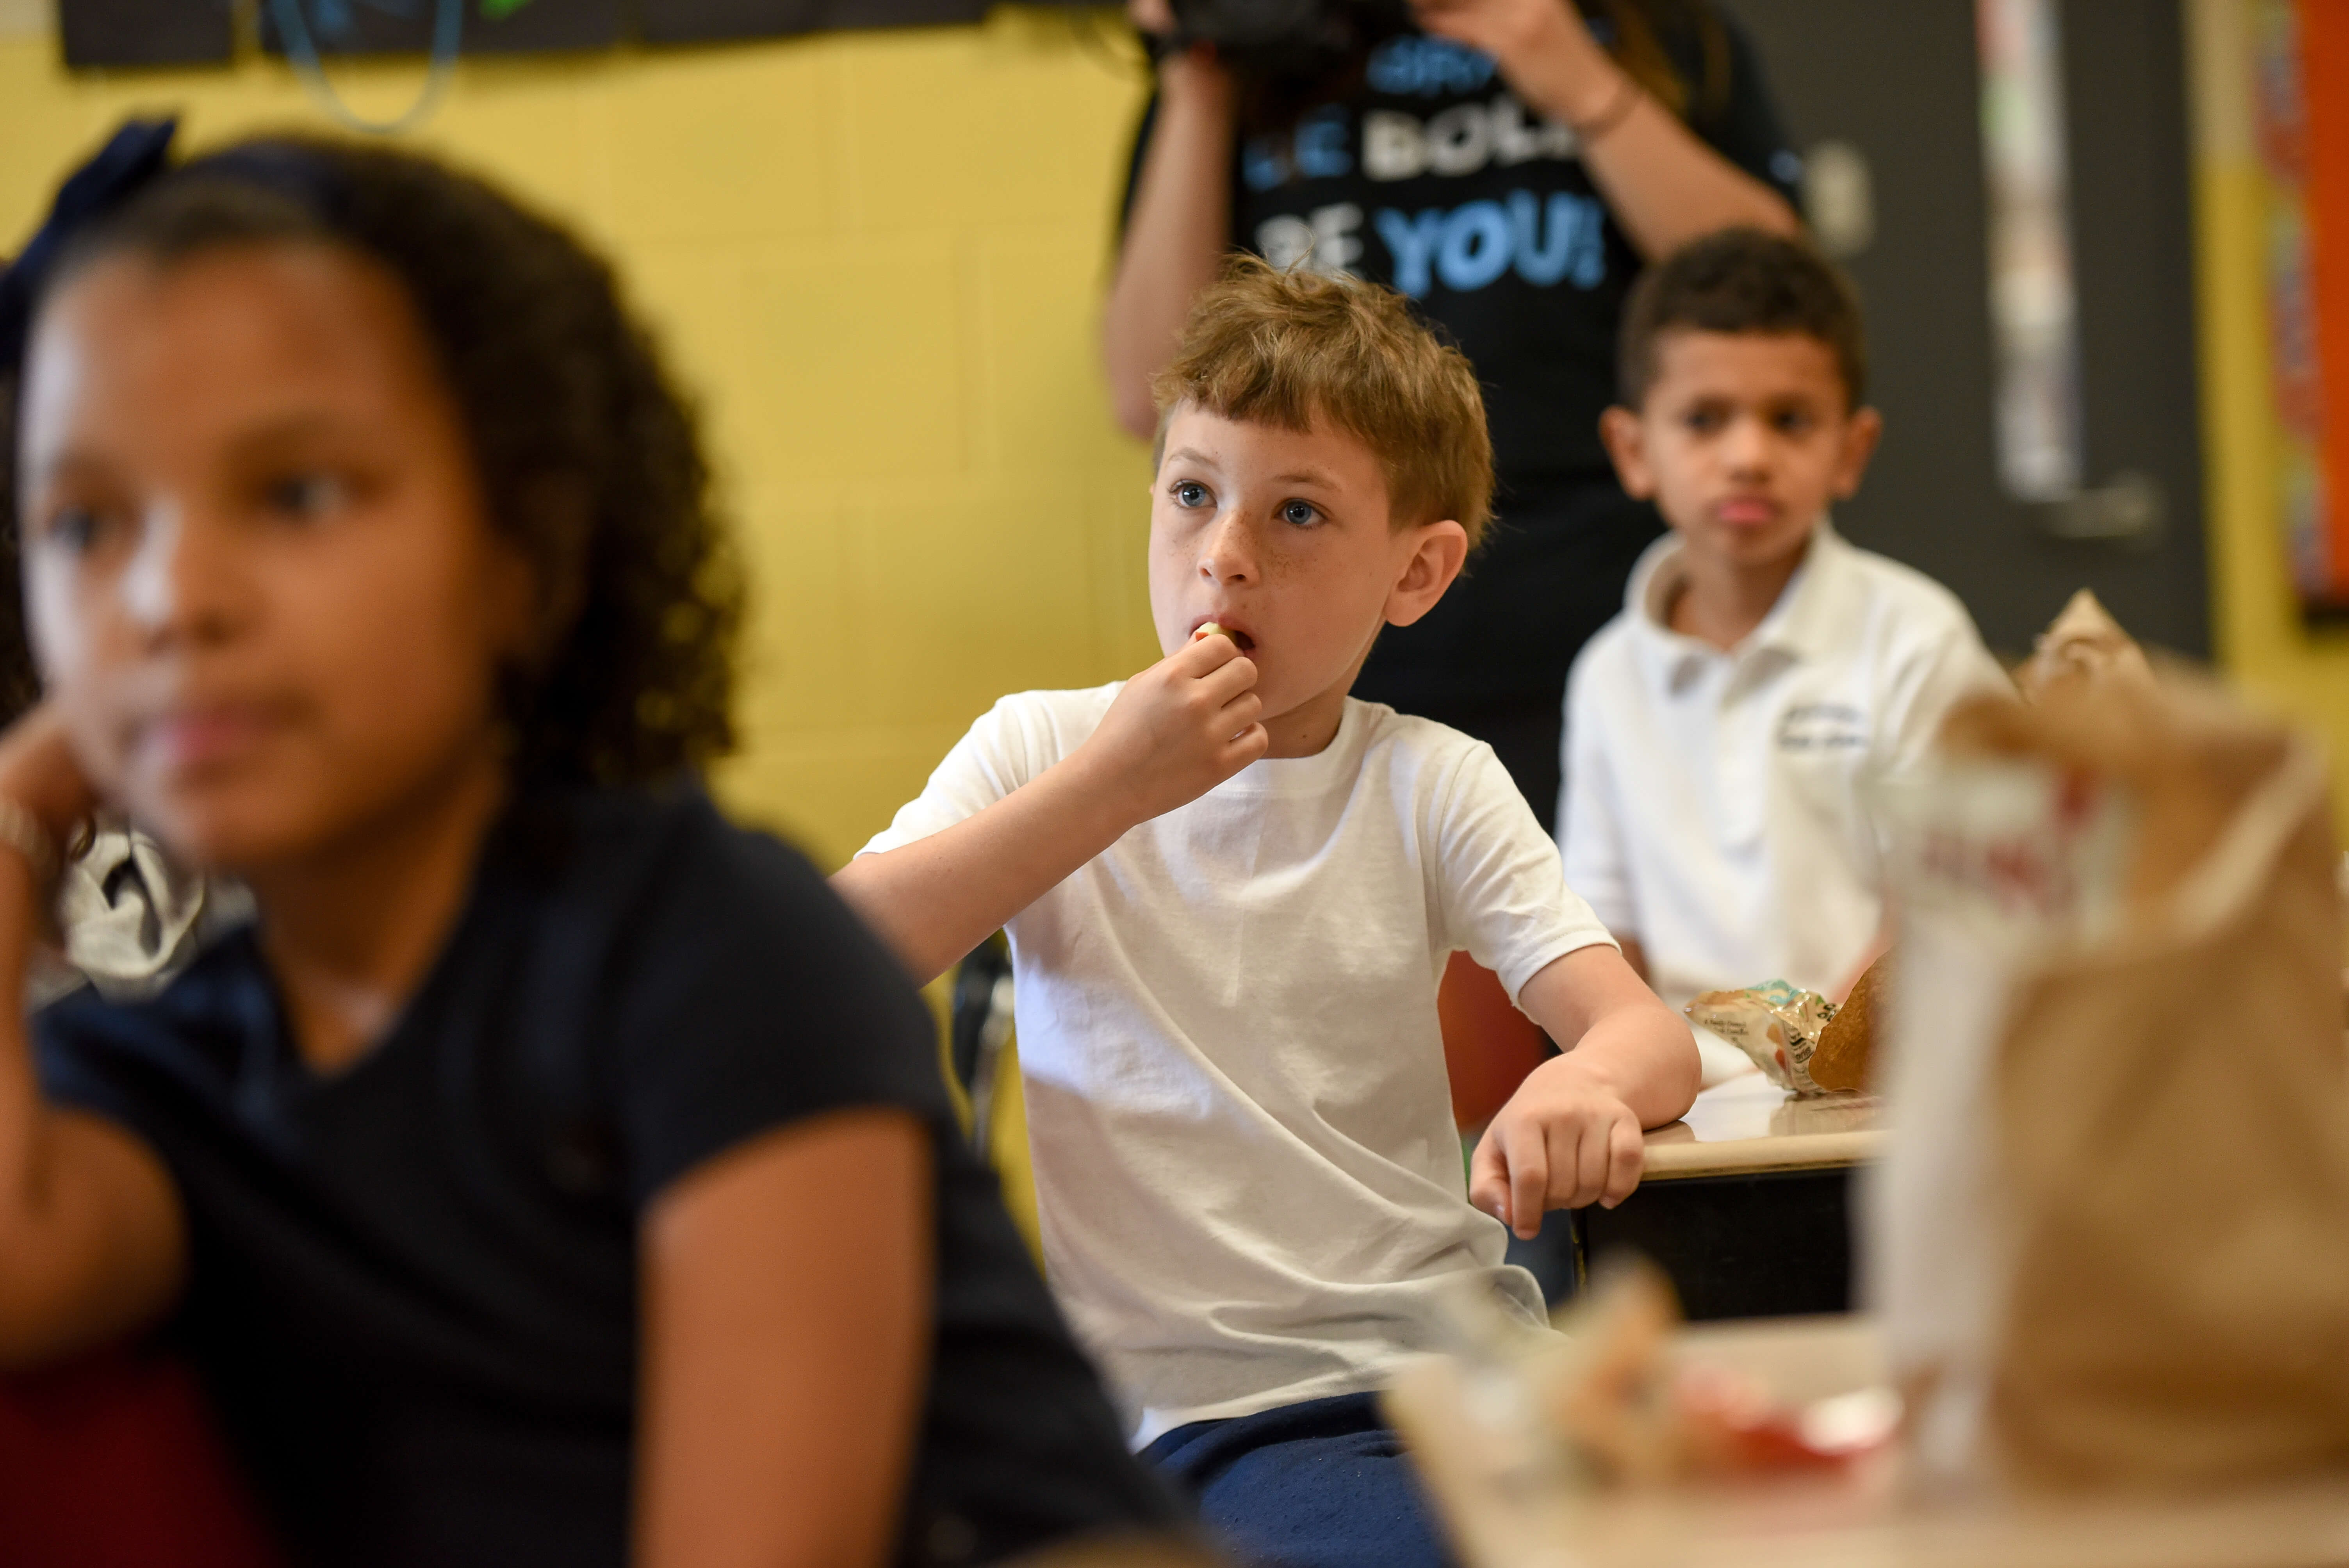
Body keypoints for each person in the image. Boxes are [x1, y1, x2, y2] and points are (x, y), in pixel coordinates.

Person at [0, 123, 1183, 1568]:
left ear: (525, 553)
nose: (171, 596)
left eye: (296, 494)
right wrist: (27, 803)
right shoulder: (183, 1064)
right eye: (84, 523)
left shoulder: (706, 942)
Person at [836, 257, 1698, 1568]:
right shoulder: (1043, 749)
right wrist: (1107, 790)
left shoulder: (1426, 777)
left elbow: (1646, 1037)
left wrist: (1583, 1082)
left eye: (1296, 513)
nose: (1221, 558)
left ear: (1413, 574)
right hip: (1206, 1420)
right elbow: (829, 965)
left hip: (1461, 1372)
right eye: (1191, 494)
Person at [1105, 0, 1803, 829]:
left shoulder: (1657, 32)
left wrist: (1576, 78)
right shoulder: (1249, 41)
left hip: (1616, 629)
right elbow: (1146, 388)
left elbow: (1776, 313)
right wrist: (1197, 75)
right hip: (1332, 657)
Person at [1561, 227, 2006, 1059]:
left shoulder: (1915, 638)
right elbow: (1602, 938)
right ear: (1633, 450)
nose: (1746, 456)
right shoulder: (1606, 676)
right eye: (1703, 419)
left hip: (1881, 1094)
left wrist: (1816, 1062)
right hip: (1678, 1103)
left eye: (1789, 420)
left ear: (1850, 449)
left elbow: (1940, 909)